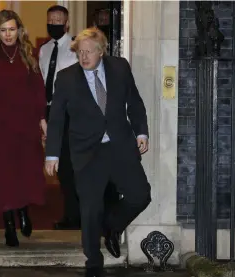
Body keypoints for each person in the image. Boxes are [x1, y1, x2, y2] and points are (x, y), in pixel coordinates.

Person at [45, 27, 152, 277]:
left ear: (101, 51)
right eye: (80, 52)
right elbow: (57, 119)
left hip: (120, 146)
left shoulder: (120, 68)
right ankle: (93, 261)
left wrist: (141, 132)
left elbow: (134, 102)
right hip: (87, 152)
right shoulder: (66, 78)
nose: (84, 57)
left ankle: (112, 227)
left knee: (140, 195)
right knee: (90, 208)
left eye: (89, 52)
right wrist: (52, 155)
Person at [0, 10, 47, 247]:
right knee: (2, 175)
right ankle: (8, 227)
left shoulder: (29, 55)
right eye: (3, 30)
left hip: (25, 124)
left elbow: (38, 88)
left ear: (19, 30)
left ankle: (23, 211)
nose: (7, 35)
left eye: (12, 29)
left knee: (25, 170)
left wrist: (42, 120)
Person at [38, 5, 80, 230]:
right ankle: (72, 215)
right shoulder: (44, 50)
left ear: (67, 24)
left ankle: (78, 216)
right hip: (51, 113)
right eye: (50, 20)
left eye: (58, 20)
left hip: (72, 114)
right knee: (62, 168)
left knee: (72, 166)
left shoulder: (76, 48)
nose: (53, 24)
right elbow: (42, 81)